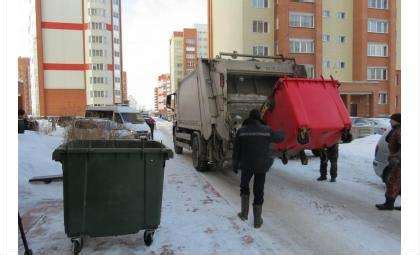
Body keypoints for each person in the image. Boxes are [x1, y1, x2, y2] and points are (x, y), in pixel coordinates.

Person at [233, 109, 284, 228]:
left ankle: (244, 214)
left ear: (249, 118)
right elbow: (278, 138)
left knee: (244, 187)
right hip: (262, 165)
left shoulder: (241, 131)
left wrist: (235, 165)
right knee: (259, 190)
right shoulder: (267, 130)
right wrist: (282, 131)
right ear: (259, 118)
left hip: (246, 165)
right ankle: (257, 221)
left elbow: (236, 151)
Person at [376, 113, 401, 210]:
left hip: (399, 161)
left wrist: (396, 157)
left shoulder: (399, 131)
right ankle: (389, 203)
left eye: (392, 120)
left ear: (397, 121)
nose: (390, 121)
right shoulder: (396, 130)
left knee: (393, 182)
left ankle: (389, 204)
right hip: (397, 160)